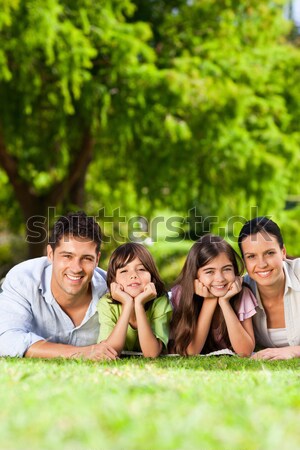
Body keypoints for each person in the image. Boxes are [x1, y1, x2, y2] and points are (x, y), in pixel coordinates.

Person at [0, 211, 117, 360]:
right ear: (50, 254)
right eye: (67, 256)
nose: (76, 268)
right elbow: (5, 339)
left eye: (86, 258)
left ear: (97, 260)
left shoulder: (111, 291)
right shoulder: (23, 280)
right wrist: (81, 353)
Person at [170, 234, 257, 357]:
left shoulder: (242, 294)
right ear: (195, 274)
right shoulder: (181, 294)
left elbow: (245, 351)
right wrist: (209, 301)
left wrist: (224, 303)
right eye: (209, 271)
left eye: (227, 269)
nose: (220, 278)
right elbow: (191, 352)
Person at [238, 216, 300, 360]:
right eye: (251, 256)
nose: (262, 264)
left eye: (270, 253)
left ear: (283, 252)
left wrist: (292, 351)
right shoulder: (241, 290)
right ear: (244, 262)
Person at [97, 243, 172, 357]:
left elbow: (151, 354)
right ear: (114, 280)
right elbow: (110, 351)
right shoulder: (107, 303)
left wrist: (139, 305)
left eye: (141, 269)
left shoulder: (160, 302)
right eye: (124, 271)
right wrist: (127, 304)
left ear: (152, 276)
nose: (133, 275)